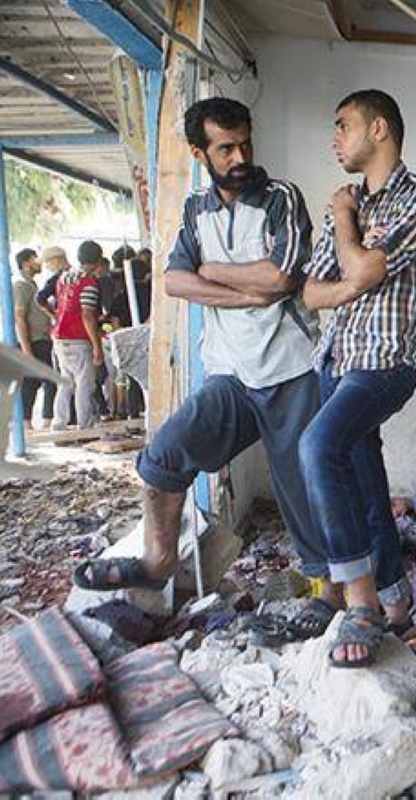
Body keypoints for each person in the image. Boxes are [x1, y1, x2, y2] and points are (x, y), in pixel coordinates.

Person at [71, 98, 332, 640]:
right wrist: (244, 292)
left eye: (245, 144)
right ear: (199, 153)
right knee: (163, 457)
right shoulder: (195, 211)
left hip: (290, 369)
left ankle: (328, 592)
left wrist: (211, 270)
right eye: (225, 148)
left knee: (302, 486)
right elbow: (173, 280)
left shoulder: (281, 197)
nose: (240, 157)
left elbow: (281, 277)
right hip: (229, 373)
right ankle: (158, 561)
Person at [300, 89, 416, 668]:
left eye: (343, 125)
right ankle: (393, 598)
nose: (335, 138)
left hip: (385, 364)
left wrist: (345, 221)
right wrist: (352, 282)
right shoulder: (349, 202)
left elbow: (365, 266)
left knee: (318, 445)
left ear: (379, 129)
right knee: (363, 478)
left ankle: (357, 602)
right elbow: (312, 292)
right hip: (335, 360)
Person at [50, 241, 105, 430]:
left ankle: (59, 423)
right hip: (78, 338)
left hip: (60, 337)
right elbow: (87, 315)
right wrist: (97, 345)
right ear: (98, 260)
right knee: (84, 383)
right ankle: (85, 424)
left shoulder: (64, 278)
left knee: (65, 382)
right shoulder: (89, 282)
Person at [11, 248, 56, 426]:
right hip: (33, 341)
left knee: (35, 382)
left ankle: (30, 421)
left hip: (40, 339)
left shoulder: (32, 285)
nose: (40, 262)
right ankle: (40, 421)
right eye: (35, 258)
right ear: (26, 263)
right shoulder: (21, 285)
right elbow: (19, 316)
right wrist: (26, 349)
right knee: (45, 380)